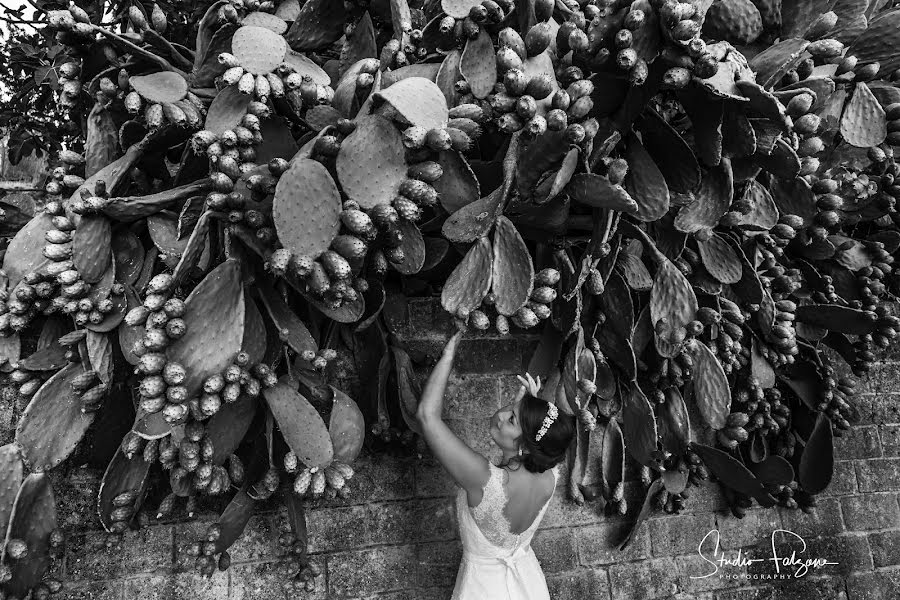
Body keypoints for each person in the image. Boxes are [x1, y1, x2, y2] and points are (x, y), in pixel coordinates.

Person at [416, 326, 577, 600]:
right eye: (510, 410)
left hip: (482, 590)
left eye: (512, 419)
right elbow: (536, 441)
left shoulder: (483, 479)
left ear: (526, 444)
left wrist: (447, 355)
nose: (500, 416)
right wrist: (529, 407)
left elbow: (427, 417)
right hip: (528, 585)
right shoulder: (551, 473)